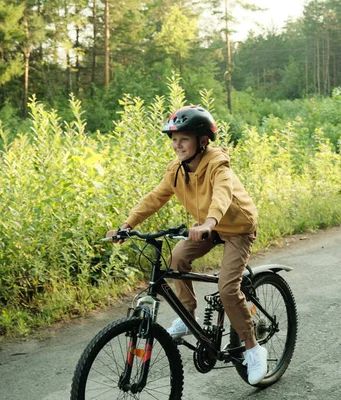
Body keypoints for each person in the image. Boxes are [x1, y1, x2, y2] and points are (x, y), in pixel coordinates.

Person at [106, 105, 267, 384]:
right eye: (174, 139)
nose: (177, 145)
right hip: (209, 228)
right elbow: (155, 197)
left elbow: (223, 194)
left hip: (236, 228)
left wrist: (209, 222)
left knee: (228, 288)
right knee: (177, 259)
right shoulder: (177, 170)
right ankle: (187, 315)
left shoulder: (218, 164)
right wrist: (127, 225)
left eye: (184, 139)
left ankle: (254, 349)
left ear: (202, 141)